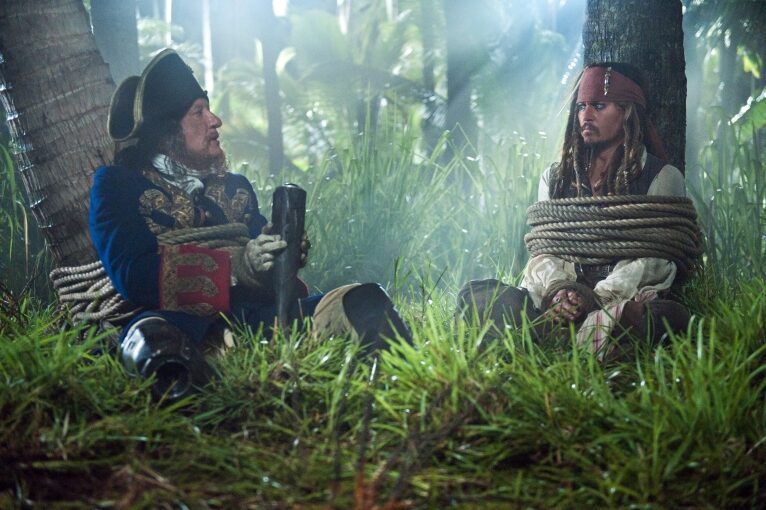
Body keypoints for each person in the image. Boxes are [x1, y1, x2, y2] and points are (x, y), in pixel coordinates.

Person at [90, 49, 409, 397]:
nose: (215, 120)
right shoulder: (118, 184)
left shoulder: (236, 187)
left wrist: (281, 251)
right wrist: (238, 265)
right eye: (198, 111)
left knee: (365, 301)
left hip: (259, 320)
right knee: (154, 344)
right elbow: (133, 276)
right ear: (168, 131)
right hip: (177, 327)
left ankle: (401, 391)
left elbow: (266, 270)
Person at [457, 62, 691, 359]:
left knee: (669, 317)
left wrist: (593, 298)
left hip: (614, 301)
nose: (586, 116)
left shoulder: (661, 177)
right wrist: (559, 292)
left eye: (599, 106)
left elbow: (654, 260)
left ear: (626, 111)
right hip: (553, 300)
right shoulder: (555, 178)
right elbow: (545, 249)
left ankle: (553, 337)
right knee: (478, 297)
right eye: (581, 107)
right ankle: (574, 337)